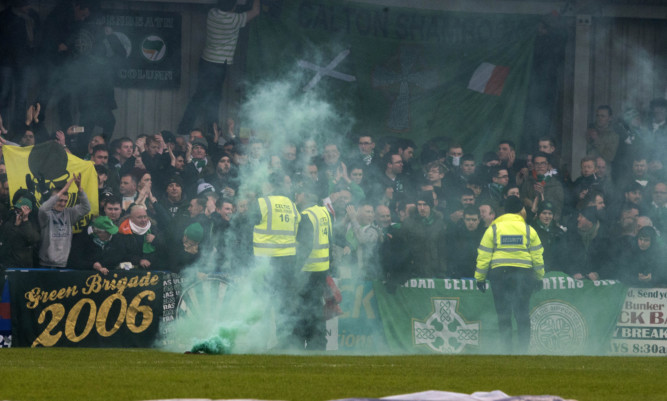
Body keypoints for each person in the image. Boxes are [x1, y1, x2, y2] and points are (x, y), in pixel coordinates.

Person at [177, 0, 260, 135]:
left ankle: (189, 128)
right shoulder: (234, 19)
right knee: (214, 99)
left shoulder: (213, 14)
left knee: (201, 97)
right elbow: (256, 11)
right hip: (220, 64)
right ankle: (210, 130)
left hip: (206, 61)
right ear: (234, 6)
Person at [475, 195, 545, 353]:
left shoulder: (493, 228)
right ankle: (523, 351)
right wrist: (539, 277)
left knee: (503, 315)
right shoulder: (528, 229)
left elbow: (484, 255)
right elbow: (537, 257)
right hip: (524, 274)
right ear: (521, 210)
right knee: (522, 314)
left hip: (500, 275)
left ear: (504, 211)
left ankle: (506, 351)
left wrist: (480, 278)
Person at [294, 189, 333, 350]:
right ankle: (317, 342)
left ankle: (300, 341)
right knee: (316, 305)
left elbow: (305, 245)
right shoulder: (325, 212)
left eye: (299, 194)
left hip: (309, 269)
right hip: (322, 267)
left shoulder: (306, 216)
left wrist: (297, 269)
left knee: (302, 307)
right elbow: (330, 239)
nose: (297, 196)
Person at [38, 173, 91, 268]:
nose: (63, 204)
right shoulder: (46, 214)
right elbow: (42, 209)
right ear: (53, 199)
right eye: (60, 200)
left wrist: (80, 189)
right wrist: (63, 190)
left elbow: (86, 207)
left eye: (65, 201)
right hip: (45, 263)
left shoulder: (70, 213)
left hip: (64, 263)